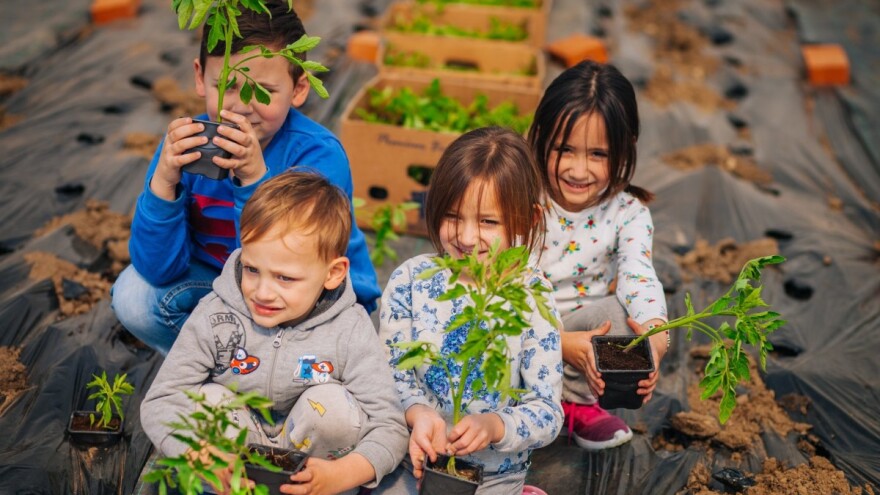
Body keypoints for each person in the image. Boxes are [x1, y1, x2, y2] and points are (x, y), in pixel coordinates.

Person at [111, 0, 380, 355]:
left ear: (299, 89)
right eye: (227, 85)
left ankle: (264, 372)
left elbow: (289, 262)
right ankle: (220, 367)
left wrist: (254, 180)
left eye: (261, 89)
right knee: (134, 296)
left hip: (308, 293)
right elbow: (157, 270)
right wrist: (163, 184)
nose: (238, 106)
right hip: (220, 279)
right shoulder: (188, 145)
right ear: (199, 78)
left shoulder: (316, 156)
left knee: (309, 334)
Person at [141, 171, 408, 495]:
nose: (263, 292)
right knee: (207, 401)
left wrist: (343, 473)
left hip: (313, 462)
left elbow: (390, 426)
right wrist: (195, 454)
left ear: (333, 274)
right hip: (231, 460)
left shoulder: (349, 328)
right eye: (252, 269)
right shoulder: (216, 315)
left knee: (335, 409)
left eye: (285, 278)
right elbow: (161, 399)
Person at [374, 127, 563, 494]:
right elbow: (388, 377)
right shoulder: (412, 280)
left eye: (488, 222)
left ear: (527, 221)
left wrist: (496, 425)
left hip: (494, 475)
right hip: (412, 458)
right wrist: (417, 413)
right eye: (452, 216)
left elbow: (547, 411)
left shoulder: (531, 293)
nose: (465, 236)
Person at [527, 60, 669, 451]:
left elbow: (639, 275)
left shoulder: (628, 213)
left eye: (598, 154)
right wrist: (556, 342)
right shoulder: (520, 194)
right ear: (540, 136)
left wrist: (654, 341)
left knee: (622, 321)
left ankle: (572, 404)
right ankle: (517, 402)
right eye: (564, 149)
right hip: (518, 325)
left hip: (584, 336)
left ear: (626, 148)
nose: (578, 169)